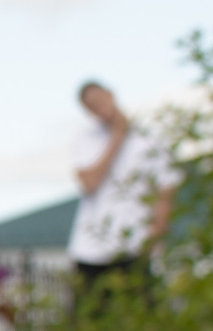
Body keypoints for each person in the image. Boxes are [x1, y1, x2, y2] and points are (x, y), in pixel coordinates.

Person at [67, 80, 175, 292]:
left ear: (110, 94)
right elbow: (90, 183)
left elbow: (165, 190)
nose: (98, 109)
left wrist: (155, 238)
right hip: (90, 250)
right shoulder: (84, 139)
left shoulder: (149, 137)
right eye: (91, 107)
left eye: (99, 101)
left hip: (136, 246)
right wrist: (117, 136)